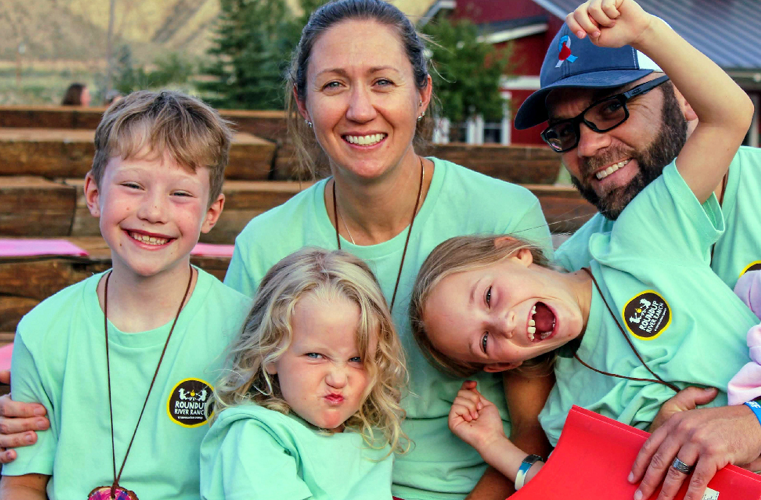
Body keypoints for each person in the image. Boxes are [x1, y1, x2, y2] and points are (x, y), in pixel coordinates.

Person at [0, 2, 553, 496]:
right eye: (334, 84)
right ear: (303, 102)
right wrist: (37, 413)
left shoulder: (501, 216)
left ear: (423, 92)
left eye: (383, 81)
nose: (360, 109)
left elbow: (533, 424)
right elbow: (238, 390)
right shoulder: (268, 244)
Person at [513, 0, 761, 498]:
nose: (587, 147)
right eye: (565, 132)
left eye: (612, 108)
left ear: (687, 98)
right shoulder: (574, 279)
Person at [0, 90, 249, 499]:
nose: (153, 211)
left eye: (180, 193)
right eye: (133, 185)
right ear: (94, 194)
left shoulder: (245, 332)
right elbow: (24, 484)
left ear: (211, 212)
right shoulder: (44, 332)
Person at [200, 248, 407, 499]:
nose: (338, 379)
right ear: (269, 353)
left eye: (357, 359)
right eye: (315, 355)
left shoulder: (369, 438)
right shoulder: (256, 434)